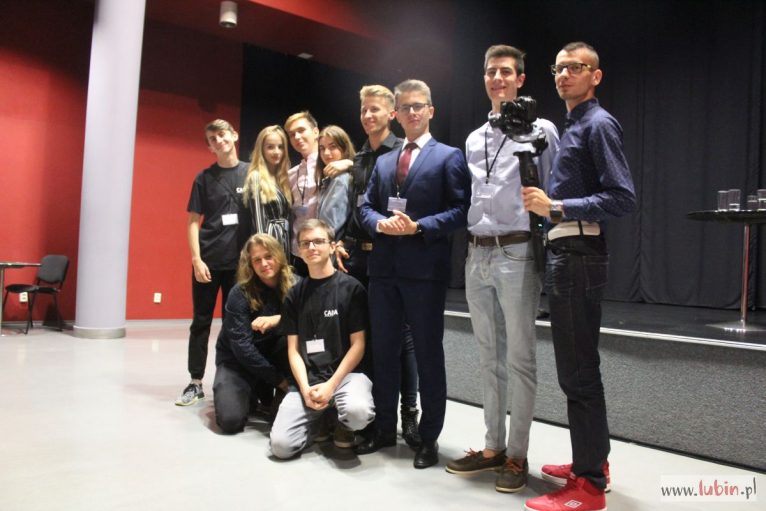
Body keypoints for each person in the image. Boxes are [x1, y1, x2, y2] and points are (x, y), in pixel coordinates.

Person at [522, 42, 636, 511]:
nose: (564, 74)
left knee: (578, 373)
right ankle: (593, 462)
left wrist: (557, 206)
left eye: (575, 67)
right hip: (568, 251)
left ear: (596, 76)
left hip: (578, 253)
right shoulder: (573, 126)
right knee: (579, 369)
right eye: (559, 67)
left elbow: (622, 198)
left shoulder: (597, 124)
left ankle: (588, 487)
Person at [446, 45, 559, 493]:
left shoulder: (541, 130)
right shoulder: (474, 138)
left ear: (520, 79)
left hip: (517, 251)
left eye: (506, 72)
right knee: (488, 357)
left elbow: (554, 187)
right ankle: (493, 446)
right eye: (491, 71)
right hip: (477, 253)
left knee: (520, 358)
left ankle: (517, 454)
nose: (497, 78)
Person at [356, 79, 471, 469]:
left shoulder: (448, 156)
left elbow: (461, 210)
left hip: (425, 272)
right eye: (405, 107)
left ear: (430, 111)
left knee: (427, 355)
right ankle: (384, 429)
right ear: (397, 114)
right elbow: (365, 207)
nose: (412, 113)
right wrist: (379, 224)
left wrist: (419, 227)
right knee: (384, 352)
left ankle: (428, 437)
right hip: (383, 272)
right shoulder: (384, 161)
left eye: (418, 106)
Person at [336, 84, 421, 448]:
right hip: (358, 259)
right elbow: (353, 208)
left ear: (392, 114)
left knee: (403, 340)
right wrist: (341, 241)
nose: (368, 116)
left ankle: (409, 414)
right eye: (364, 110)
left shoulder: (403, 153)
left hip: (393, 255)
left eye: (375, 109)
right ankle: (376, 419)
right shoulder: (358, 159)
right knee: (370, 340)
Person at [270, 219, 375, 459]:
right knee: (281, 447)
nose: (312, 247)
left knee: (357, 413)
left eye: (318, 241)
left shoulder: (352, 289)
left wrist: (331, 386)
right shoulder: (294, 294)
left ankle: (341, 423)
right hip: (309, 379)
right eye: (305, 243)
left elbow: (358, 345)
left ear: (332, 246)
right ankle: (319, 419)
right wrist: (305, 389)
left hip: (347, 376)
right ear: (298, 250)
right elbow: (293, 350)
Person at [177, 119, 251, 406]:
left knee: (236, 323)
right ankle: (195, 382)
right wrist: (196, 259)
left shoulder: (252, 173)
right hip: (208, 262)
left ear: (234, 135)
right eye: (212, 139)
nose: (219, 141)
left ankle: (234, 379)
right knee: (201, 322)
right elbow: (192, 222)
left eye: (222, 135)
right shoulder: (204, 178)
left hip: (241, 266)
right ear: (209, 147)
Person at [213, 234, 296, 433]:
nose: (264, 264)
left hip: (277, 359)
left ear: (279, 256)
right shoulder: (239, 293)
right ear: (250, 265)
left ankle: (269, 394)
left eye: (268, 256)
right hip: (237, 362)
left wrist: (279, 319)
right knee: (231, 421)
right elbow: (242, 348)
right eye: (257, 260)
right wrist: (279, 381)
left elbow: (308, 322)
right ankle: (253, 392)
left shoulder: (296, 286)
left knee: (281, 420)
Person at [242, 125, 292, 257]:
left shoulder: (282, 178)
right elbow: (258, 221)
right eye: (270, 147)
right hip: (268, 243)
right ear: (261, 149)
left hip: (284, 239)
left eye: (280, 147)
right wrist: (265, 252)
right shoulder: (256, 177)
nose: (276, 151)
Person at [315, 125, 355, 239]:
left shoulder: (341, 178)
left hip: (332, 243)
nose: (326, 153)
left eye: (333, 147)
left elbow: (332, 224)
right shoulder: (331, 179)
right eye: (322, 148)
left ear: (344, 148)